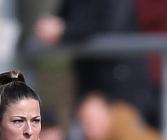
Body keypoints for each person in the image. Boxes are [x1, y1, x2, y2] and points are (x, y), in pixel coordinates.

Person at [34, 0, 159, 129]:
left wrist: (65, 30)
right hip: (90, 82)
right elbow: (63, 18)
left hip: (122, 83)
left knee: (126, 137)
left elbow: (110, 25)